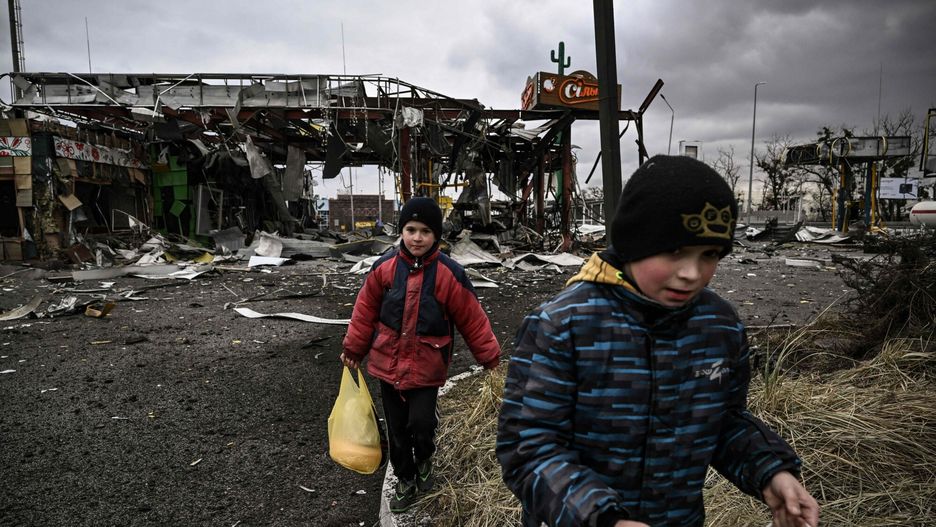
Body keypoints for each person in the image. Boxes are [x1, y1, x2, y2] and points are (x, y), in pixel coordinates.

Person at [496, 155, 819, 527]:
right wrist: (603, 519)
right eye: (675, 251)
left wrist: (772, 474)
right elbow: (529, 448)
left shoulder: (719, 326)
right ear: (635, 241)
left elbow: (724, 423)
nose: (691, 274)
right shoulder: (563, 325)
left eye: (710, 255)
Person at [340, 196, 501, 513]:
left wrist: (490, 359)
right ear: (401, 231)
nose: (417, 237)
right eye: (410, 229)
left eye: (425, 231)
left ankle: (425, 457)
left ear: (436, 236)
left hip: (427, 368)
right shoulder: (384, 269)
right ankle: (405, 478)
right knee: (398, 430)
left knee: (422, 425)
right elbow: (364, 312)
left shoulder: (448, 275)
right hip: (387, 365)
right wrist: (354, 349)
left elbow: (472, 318)